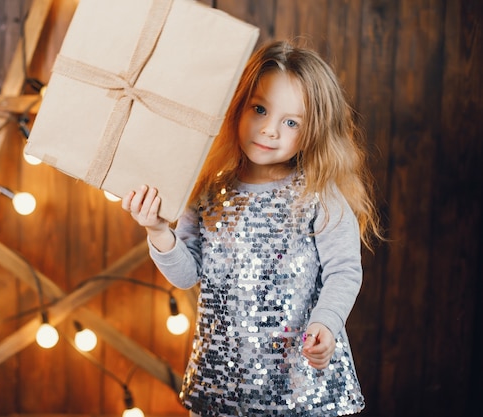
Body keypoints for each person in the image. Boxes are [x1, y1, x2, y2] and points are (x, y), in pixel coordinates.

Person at [122, 39, 383, 417]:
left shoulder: (318, 194)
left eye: (291, 122)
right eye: (259, 109)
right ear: (238, 107)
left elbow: (343, 271)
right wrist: (159, 232)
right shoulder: (209, 191)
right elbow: (187, 275)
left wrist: (326, 322)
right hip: (223, 377)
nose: (269, 130)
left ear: (314, 132)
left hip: (300, 379)